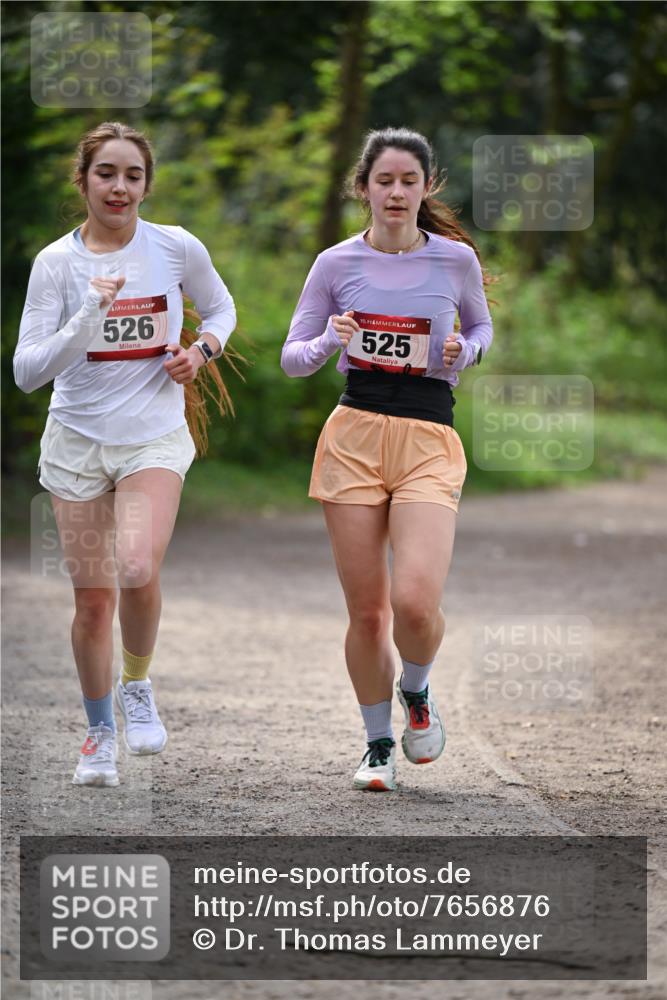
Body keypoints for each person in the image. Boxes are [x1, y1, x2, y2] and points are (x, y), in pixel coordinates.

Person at [14, 121, 237, 787]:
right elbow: (28, 371)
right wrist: (87, 313)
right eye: (106, 173)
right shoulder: (57, 264)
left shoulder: (173, 248)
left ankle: (136, 685)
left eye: (132, 175)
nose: (119, 186)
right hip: (77, 440)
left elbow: (221, 310)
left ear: (147, 184)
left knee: (137, 565)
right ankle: (98, 732)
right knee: (91, 603)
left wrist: (200, 352)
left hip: (152, 435)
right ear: (81, 181)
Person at [281, 127, 494, 791]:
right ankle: (377, 747)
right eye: (384, 181)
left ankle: (419, 691)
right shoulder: (333, 264)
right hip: (354, 435)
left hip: (428, 433)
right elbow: (292, 358)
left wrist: (469, 351)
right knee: (368, 612)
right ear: (363, 189)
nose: (396, 192)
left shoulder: (454, 261)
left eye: (408, 181)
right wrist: (326, 340)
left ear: (426, 187)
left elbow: (482, 326)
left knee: (414, 602)